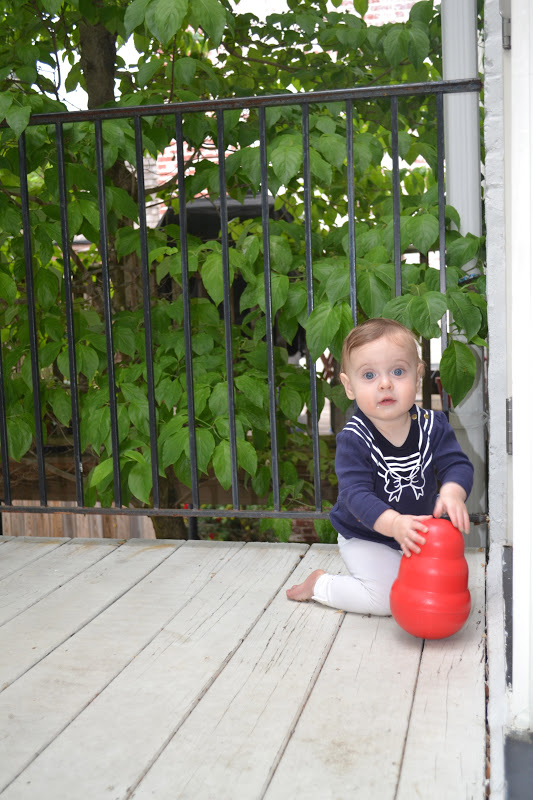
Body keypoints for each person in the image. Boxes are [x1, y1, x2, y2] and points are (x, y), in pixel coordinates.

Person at [286, 318, 474, 615]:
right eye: (369, 375)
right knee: (387, 600)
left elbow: (457, 464)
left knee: (438, 589)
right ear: (349, 386)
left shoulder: (433, 425)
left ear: (418, 375)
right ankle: (321, 584)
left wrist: (452, 492)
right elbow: (356, 496)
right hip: (365, 535)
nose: (385, 384)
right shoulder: (355, 438)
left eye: (398, 371)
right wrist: (394, 524)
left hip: (415, 532)